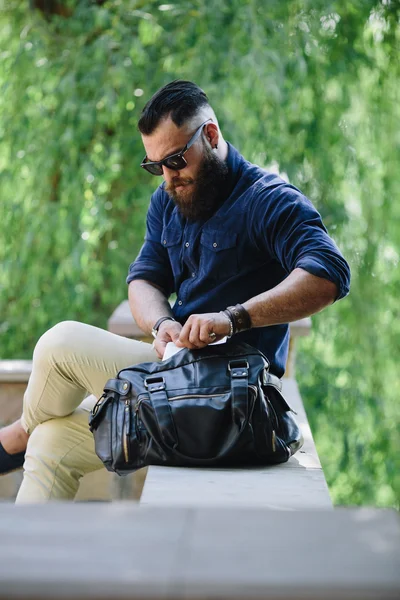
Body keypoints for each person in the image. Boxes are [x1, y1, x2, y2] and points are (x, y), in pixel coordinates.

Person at [0, 80, 350, 502]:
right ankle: (29, 563)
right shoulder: (168, 200)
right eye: (154, 166)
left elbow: (329, 272)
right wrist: (162, 322)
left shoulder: (269, 199)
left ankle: (17, 433)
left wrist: (233, 318)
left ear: (211, 135)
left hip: (234, 395)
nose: (168, 177)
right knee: (51, 445)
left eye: (176, 160)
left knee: (59, 345)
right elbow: (144, 278)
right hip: (174, 378)